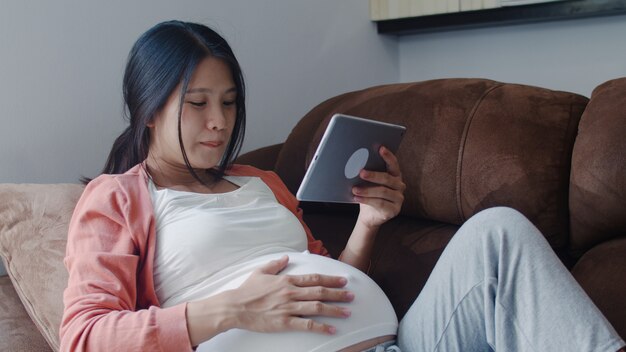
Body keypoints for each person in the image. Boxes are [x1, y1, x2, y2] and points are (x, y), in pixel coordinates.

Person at [60, 20, 625, 352]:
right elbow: (83, 336)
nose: (219, 123)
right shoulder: (119, 197)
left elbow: (334, 284)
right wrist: (231, 309)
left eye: (230, 104)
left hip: (392, 343)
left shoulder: (262, 182)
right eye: (198, 104)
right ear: (149, 110)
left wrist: (370, 226)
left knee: (497, 232)